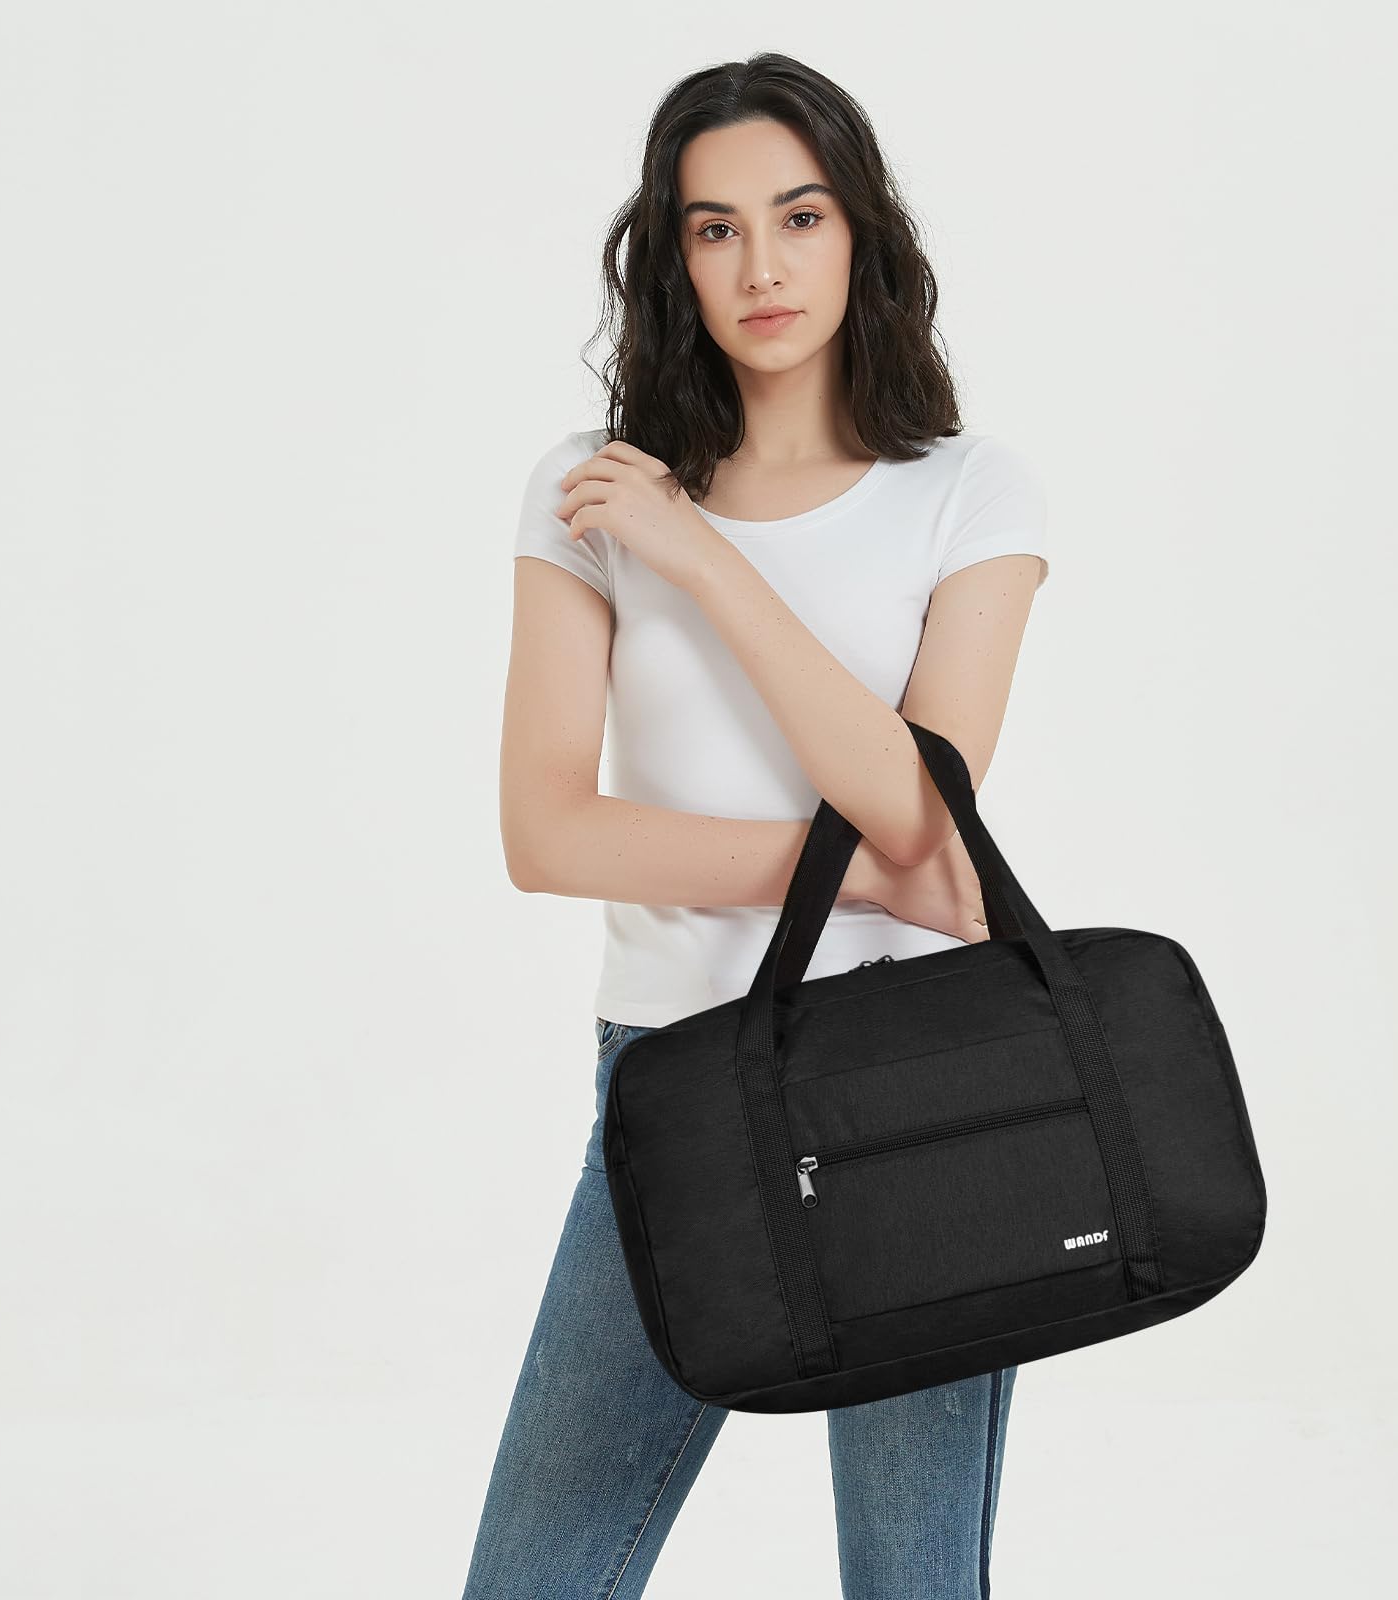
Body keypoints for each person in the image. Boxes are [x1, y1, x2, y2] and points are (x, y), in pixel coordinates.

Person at [462, 51, 1049, 1600]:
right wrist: (862, 881)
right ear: (673, 258)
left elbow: (921, 805)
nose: (762, 267)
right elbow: (547, 833)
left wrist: (707, 560)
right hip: (676, 1080)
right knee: (533, 1577)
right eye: (715, 229)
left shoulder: (969, 493)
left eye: (799, 216)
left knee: (914, 1581)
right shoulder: (588, 491)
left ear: (862, 230)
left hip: (920, 1076)